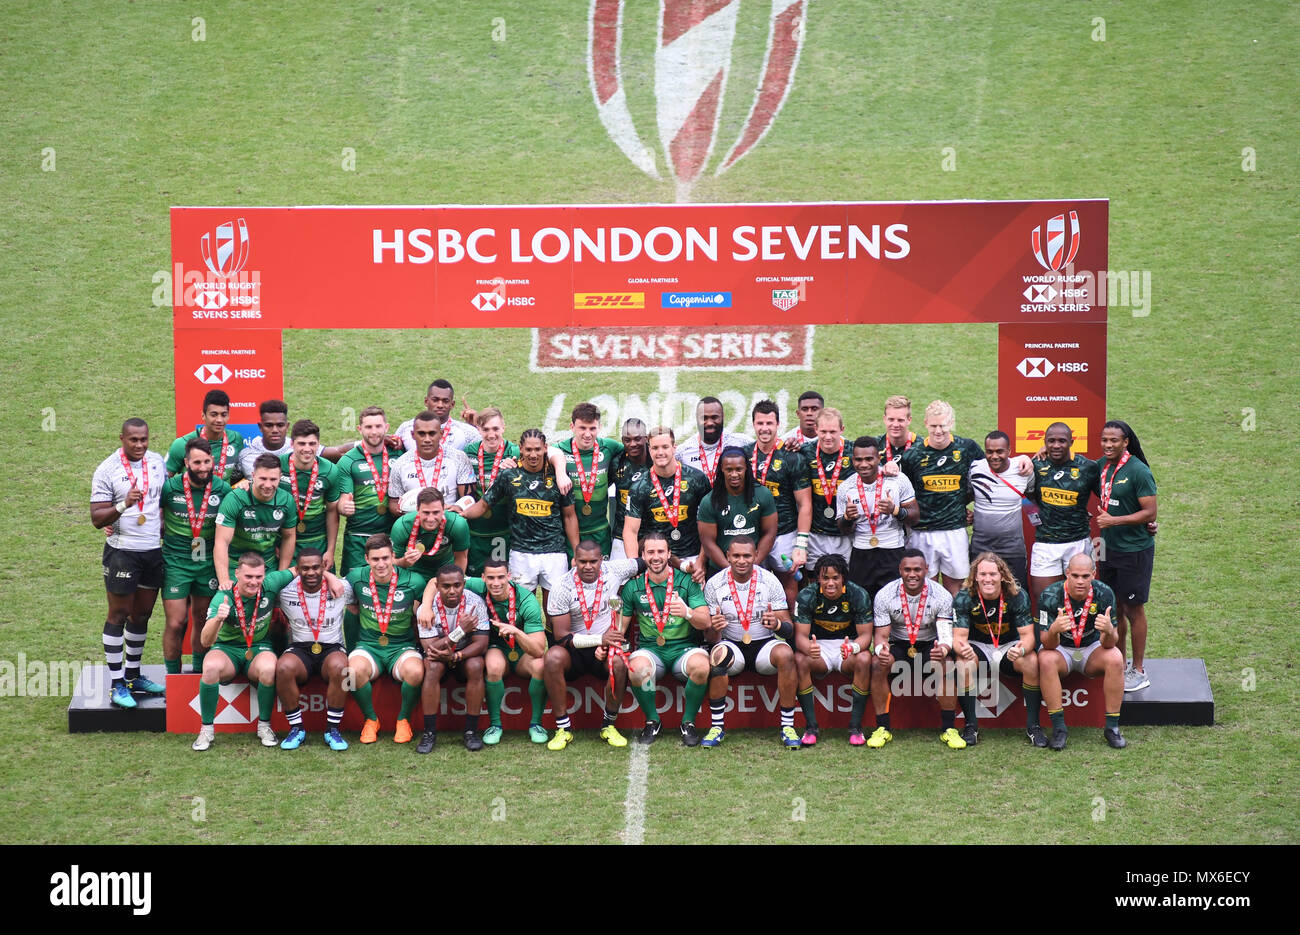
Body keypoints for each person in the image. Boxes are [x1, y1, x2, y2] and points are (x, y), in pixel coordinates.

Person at [895, 400, 1029, 596]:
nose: (938, 430)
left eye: (943, 425)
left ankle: (955, 626)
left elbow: (994, 465)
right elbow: (905, 493)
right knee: (925, 587)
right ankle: (929, 627)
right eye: (933, 426)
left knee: (957, 588)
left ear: (952, 423)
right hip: (923, 532)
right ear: (925, 423)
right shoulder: (913, 455)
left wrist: (1023, 459)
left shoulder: (967, 448)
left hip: (955, 530)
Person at [455, 429, 578, 631]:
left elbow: (570, 516)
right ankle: (522, 655)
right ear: (520, 448)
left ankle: (554, 655)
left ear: (545, 449)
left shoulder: (558, 476)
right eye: (528, 449)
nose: (533, 454)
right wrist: (460, 513)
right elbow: (484, 504)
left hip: (554, 553)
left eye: (538, 449)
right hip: (522, 554)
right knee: (519, 610)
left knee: (554, 612)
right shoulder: (508, 474)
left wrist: (575, 551)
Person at [91, 418, 169, 708]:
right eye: (133, 440)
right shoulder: (107, 469)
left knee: (142, 614)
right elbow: (97, 519)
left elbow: (164, 498)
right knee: (119, 613)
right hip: (122, 551)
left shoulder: (158, 462)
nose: (139, 445)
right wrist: (123, 505)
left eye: (144, 439)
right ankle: (116, 683)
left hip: (152, 551)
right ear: (121, 438)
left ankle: (134, 676)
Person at [542, 542, 645, 749]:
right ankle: (563, 728)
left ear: (602, 561)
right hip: (574, 651)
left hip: (605, 650)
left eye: (593, 561)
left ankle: (608, 725)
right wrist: (600, 640)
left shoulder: (615, 569)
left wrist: (687, 567)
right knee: (552, 657)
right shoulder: (561, 586)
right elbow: (561, 636)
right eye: (582, 562)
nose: (588, 566)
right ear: (574, 561)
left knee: (619, 661)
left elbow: (649, 561)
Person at [701, 536, 799, 748]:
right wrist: (713, 628)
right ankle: (717, 727)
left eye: (747, 555)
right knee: (718, 656)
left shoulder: (770, 581)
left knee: (786, 654)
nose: (741, 560)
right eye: (736, 555)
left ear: (756, 556)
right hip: (732, 644)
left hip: (765, 644)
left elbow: (789, 629)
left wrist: (777, 625)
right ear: (727, 556)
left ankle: (787, 726)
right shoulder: (714, 584)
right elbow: (708, 638)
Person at [191, 553, 295, 751]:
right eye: (248, 577)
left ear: (265, 575)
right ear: (237, 573)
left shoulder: (271, 583)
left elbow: (299, 569)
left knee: (269, 668)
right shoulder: (223, 597)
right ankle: (206, 729)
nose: (254, 582)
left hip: (258, 647)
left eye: (258, 577)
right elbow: (205, 641)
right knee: (211, 667)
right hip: (227, 649)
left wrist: (331, 578)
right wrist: (217, 620)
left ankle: (264, 726)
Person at [621, 531, 712, 745]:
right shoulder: (632, 586)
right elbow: (620, 628)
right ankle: (653, 721)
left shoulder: (686, 582)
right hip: (652, 650)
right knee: (637, 668)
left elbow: (706, 621)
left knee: (701, 666)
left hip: (684, 649)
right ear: (642, 555)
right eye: (650, 552)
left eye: (661, 551)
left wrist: (687, 612)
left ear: (669, 554)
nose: (656, 556)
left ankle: (688, 722)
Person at [866, 550, 965, 749]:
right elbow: (881, 635)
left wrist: (944, 649)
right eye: (907, 570)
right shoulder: (885, 594)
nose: (912, 574)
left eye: (917, 570)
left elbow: (945, 635)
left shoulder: (942, 595)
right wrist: (880, 649)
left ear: (926, 570)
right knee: (877, 664)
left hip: (930, 644)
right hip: (898, 644)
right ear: (900, 570)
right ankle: (882, 728)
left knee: (947, 664)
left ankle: (949, 729)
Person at [951, 552, 1045, 747]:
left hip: (1008, 645)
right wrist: (964, 649)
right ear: (975, 576)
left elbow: (1028, 637)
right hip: (979, 646)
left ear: (1002, 575)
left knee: (1031, 661)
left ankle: (1033, 726)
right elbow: (958, 638)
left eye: (993, 574)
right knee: (963, 662)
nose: (988, 579)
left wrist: (1020, 650)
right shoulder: (964, 596)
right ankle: (971, 725)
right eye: (983, 574)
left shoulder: (1016, 596)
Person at [343, 535, 430, 745]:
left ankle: (403, 720)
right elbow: (346, 602)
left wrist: (425, 604)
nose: (381, 564)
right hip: (368, 646)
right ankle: (371, 720)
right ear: (366, 559)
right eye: (375, 559)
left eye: (385, 558)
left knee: (416, 672)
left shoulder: (413, 581)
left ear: (393, 556)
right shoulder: (355, 578)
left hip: (402, 647)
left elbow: (430, 592)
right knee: (350, 673)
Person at [1036, 553, 1127, 749]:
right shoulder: (1049, 595)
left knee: (1116, 658)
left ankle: (1112, 728)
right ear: (1066, 573)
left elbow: (1110, 644)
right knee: (1045, 659)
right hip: (1061, 649)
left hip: (1092, 648)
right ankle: (1059, 729)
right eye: (1075, 575)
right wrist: (1054, 630)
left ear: (1093, 574)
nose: (1080, 581)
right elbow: (1046, 643)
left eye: (1085, 576)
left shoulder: (1105, 593)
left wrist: (1109, 631)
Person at [160, 438, 232, 675]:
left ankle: (198, 676)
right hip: (176, 562)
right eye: (197, 462)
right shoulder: (170, 487)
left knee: (202, 618)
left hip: (208, 563)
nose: (203, 467)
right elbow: (149, 511)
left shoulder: (222, 489)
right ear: (186, 462)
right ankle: (173, 678)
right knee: (175, 622)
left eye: (207, 461)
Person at [1095, 420, 1158, 692]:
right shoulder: (1102, 466)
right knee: (1115, 608)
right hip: (1108, 550)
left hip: (1134, 550)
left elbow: (1150, 513)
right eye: (1105, 440)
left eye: (1114, 441)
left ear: (1126, 442)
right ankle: (1118, 663)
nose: (1108, 445)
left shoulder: (1139, 471)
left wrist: (1115, 522)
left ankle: (1140, 669)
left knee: (1134, 609)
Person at [273, 548, 352, 751]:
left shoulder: (342, 587)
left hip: (332, 647)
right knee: (282, 668)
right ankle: (296, 729)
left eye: (316, 567)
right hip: (300, 648)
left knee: (342, 668)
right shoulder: (285, 589)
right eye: (305, 568)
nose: (311, 572)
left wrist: (331, 577)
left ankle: (332, 729)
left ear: (324, 567)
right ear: (297, 569)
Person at [792, 553, 874, 745]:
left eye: (835, 578)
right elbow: (800, 637)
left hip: (848, 646)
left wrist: (853, 647)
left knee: (864, 659)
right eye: (825, 578)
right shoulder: (807, 595)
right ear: (817, 578)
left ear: (843, 578)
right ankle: (811, 727)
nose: (830, 583)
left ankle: (855, 727)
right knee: (800, 659)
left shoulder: (858, 594)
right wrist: (809, 649)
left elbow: (866, 636)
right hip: (818, 647)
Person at [465, 558, 549, 744]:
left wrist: (516, 631)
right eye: (491, 578)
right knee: (493, 667)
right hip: (497, 648)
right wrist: (425, 608)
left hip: (522, 649)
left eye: (501, 577)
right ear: (483, 578)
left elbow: (537, 650)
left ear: (509, 577)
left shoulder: (527, 601)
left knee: (541, 665)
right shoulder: (476, 585)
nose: (496, 583)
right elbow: (434, 582)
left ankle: (536, 724)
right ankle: (495, 725)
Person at [413, 564, 490, 752]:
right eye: (446, 586)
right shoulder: (427, 607)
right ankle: (429, 732)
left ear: (463, 584)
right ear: (437, 586)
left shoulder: (475, 602)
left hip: (463, 655)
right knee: (431, 667)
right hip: (437, 657)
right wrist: (460, 631)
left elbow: (481, 643)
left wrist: (456, 655)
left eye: (457, 585)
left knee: (477, 665)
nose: (452, 591)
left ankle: (471, 731)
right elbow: (430, 648)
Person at [743, 400, 811, 605]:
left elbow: (805, 503)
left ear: (778, 424)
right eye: (760, 423)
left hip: (784, 531)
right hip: (752, 532)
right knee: (752, 586)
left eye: (769, 423)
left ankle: (792, 635)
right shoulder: (743, 456)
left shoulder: (792, 457)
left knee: (788, 584)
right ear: (753, 424)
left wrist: (801, 544)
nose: (765, 428)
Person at [1025, 422, 1098, 603]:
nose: (1056, 445)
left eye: (1062, 441)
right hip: (1046, 544)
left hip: (1078, 543)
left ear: (1072, 442)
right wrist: (1038, 518)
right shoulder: (1035, 465)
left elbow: (1110, 495)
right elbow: (1027, 497)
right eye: (1051, 441)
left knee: (1080, 601)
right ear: (1044, 442)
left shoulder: (1088, 467)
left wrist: (1146, 522)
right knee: (1045, 600)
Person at [838, 436, 918, 599]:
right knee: (863, 604)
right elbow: (843, 529)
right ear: (853, 460)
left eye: (869, 459)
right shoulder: (846, 487)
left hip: (892, 550)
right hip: (861, 553)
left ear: (879, 458)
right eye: (858, 460)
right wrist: (848, 518)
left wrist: (895, 510)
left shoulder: (897, 480)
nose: (864, 464)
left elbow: (915, 516)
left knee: (894, 602)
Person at [622, 426, 711, 572]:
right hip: (657, 560)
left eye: (665, 447)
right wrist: (636, 568)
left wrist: (702, 561)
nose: (660, 452)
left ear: (674, 448)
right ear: (649, 450)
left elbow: (710, 523)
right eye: (655, 448)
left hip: (694, 556)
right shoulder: (639, 486)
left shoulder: (696, 479)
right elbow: (630, 531)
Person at [212, 453, 296, 592]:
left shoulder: (286, 501)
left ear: (280, 478)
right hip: (236, 565)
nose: (268, 485)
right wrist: (224, 580)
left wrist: (280, 574)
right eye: (263, 478)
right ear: (252, 475)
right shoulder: (235, 499)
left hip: (268, 565)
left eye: (273, 479)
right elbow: (222, 542)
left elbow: (289, 536)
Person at [970, 430, 1036, 594]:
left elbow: (1030, 498)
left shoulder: (1023, 470)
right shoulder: (974, 468)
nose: (994, 456)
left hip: (1012, 548)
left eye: (1000, 451)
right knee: (978, 594)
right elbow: (964, 495)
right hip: (980, 547)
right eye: (989, 451)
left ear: (1009, 451)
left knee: (1017, 594)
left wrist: (1037, 521)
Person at [335, 406, 397, 580]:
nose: (374, 432)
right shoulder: (348, 461)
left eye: (378, 426)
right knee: (354, 588)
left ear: (387, 427)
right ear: (359, 429)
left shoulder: (400, 454)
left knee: (389, 586)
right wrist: (343, 506)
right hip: (358, 537)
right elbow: (342, 499)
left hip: (391, 535)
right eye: (368, 427)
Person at [696, 447, 778, 575]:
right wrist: (730, 570)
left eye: (738, 469)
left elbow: (770, 533)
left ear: (746, 468)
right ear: (722, 469)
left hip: (755, 566)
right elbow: (708, 542)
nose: (734, 474)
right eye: (729, 470)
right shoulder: (709, 501)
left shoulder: (763, 494)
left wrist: (752, 564)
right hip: (720, 569)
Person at [558, 402, 624, 557]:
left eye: (592, 428)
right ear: (572, 426)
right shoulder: (560, 449)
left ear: (599, 427)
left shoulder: (609, 447)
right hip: (570, 532)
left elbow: (634, 450)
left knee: (602, 579)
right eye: (582, 428)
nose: (587, 434)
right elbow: (544, 452)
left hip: (600, 532)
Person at [279, 419, 341, 567]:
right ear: (291, 444)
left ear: (318, 445)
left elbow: (333, 511)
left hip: (317, 540)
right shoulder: (278, 466)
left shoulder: (330, 471)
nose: (307, 449)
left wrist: (331, 551)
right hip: (284, 539)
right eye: (301, 443)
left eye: (312, 444)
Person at [464, 407, 518, 574]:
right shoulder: (468, 452)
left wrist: (515, 471)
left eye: (495, 428)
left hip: (504, 532)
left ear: (503, 427)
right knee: (475, 580)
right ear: (478, 429)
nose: (491, 434)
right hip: (475, 532)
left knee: (500, 582)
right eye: (485, 429)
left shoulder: (514, 452)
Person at [799, 407, 853, 575]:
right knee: (815, 580)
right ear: (815, 429)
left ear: (842, 430)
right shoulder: (805, 451)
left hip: (846, 534)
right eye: (823, 431)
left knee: (844, 580)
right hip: (816, 533)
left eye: (833, 431)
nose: (828, 437)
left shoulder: (854, 452)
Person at [388, 412, 475, 514]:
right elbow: (393, 502)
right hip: (414, 519)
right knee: (399, 527)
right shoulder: (401, 464)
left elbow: (469, 497)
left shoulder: (458, 458)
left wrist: (458, 507)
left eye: (432, 433)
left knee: (459, 524)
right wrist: (401, 512)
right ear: (413, 435)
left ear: (441, 434)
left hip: (448, 516)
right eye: (421, 434)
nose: (427, 439)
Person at [165, 389, 244, 484]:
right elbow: (163, 478)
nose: (219, 420)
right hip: (191, 497)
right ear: (203, 415)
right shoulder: (182, 444)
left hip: (225, 497)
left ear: (228, 416)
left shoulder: (236, 439)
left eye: (223, 415)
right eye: (214, 415)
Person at [391, 487, 470, 578]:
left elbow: (461, 558)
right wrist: (404, 561)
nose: (431, 519)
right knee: (417, 583)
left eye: (436, 512)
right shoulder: (402, 526)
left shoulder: (457, 524)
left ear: (444, 509)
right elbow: (394, 563)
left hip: (447, 567)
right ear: (417, 509)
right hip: (414, 571)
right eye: (426, 513)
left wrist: (455, 581)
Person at [676, 396, 752, 485]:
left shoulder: (742, 443)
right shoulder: (682, 452)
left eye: (714, 417)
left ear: (723, 416)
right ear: (696, 418)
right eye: (704, 418)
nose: (710, 423)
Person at [394, 378, 482, 453]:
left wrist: (477, 425)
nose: (440, 405)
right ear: (426, 401)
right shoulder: (407, 428)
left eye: (445, 401)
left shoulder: (467, 432)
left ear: (452, 404)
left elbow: (490, 448)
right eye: (435, 400)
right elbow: (388, 449)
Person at [609, 418, 650, 561]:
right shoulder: (616, 463)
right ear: (622, 440)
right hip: (622, 535)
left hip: (652, 535)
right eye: (627, 440)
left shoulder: (656, 459)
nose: (633, 444)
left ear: (646, 438)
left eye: (637, 439)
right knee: (620, 580)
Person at [236, 399, 291, 480]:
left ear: (287, 426)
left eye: (280, 425)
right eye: (269, 425)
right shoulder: (246, 456)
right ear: (260, 427)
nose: (275, 430)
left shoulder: (297, 452)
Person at [876, 394, 918, 466]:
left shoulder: (921, 447)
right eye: (891, 419)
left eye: (900, 420)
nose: (895, 425)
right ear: (884, 419)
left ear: (909, 420)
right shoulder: (874, 446)